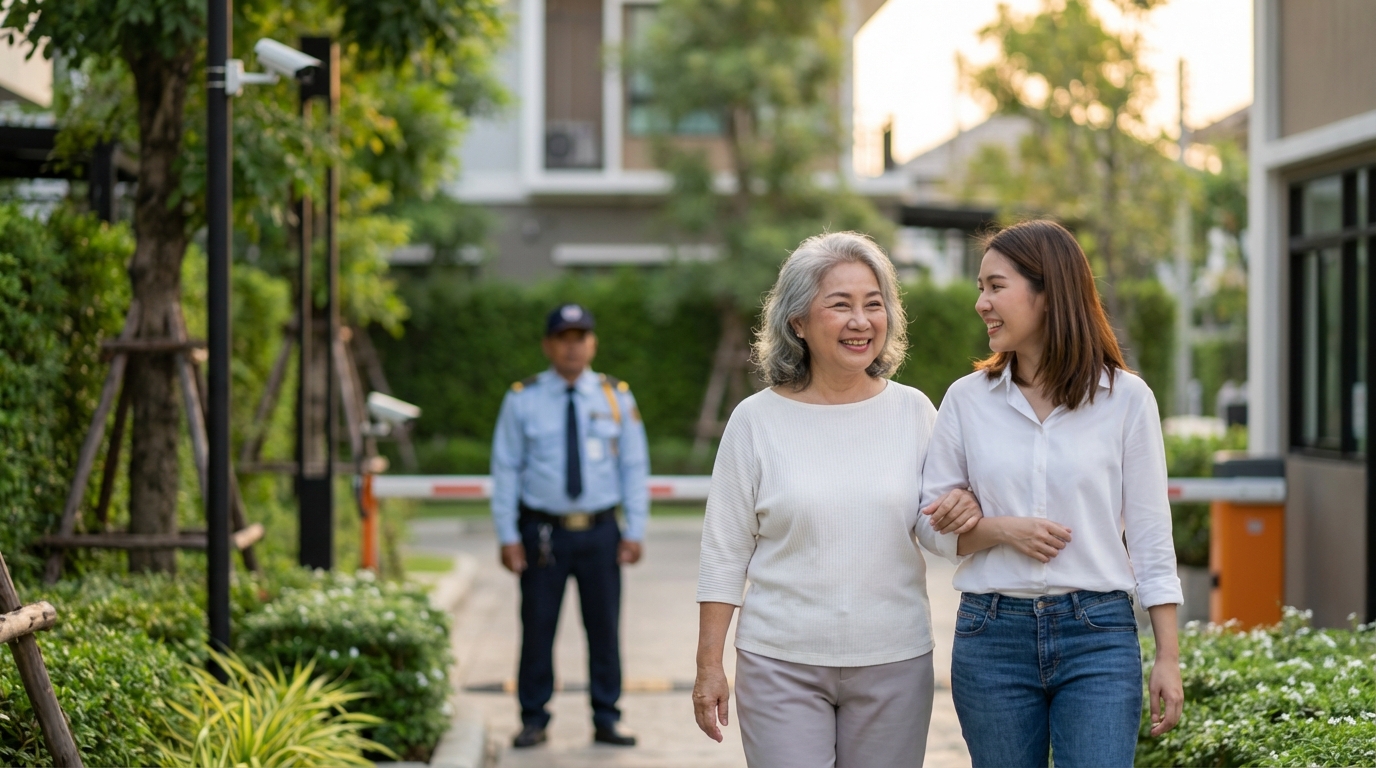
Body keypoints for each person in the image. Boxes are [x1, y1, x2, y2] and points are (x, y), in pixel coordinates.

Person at [692, 232, 984, 768]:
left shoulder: (914, 412)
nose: (861, 321)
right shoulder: (755, 421)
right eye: (841, 304)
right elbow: (724, 552)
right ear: (797, 322)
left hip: (895, 661)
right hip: (780, 661)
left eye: (874, 305)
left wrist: (963, 509)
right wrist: (709, 664)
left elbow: (938, 531)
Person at [921, 220, 1184, 768]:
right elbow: (929, 526)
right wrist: (998, 529)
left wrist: (1168, 656)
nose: (981, 303)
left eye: (995, 286)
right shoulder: (966, 401)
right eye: (979, 288)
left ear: (1048, 291)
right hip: (991, 636)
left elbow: (1152, 537)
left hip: (1099, 635)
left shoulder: (1126, 399)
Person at [490, 303, 648, 749]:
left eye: (581, 337)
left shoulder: (616, 396)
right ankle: (534, 717)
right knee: (538, 627)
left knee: (604, 627)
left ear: (592, 343)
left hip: (600, 531)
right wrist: (507, 535)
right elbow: (505, 470)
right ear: (548, 345)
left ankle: (606, 715)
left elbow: (634, 467)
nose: (573, 346)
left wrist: (634, 528)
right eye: (564, 337)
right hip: (543, 533)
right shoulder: (523, 398)